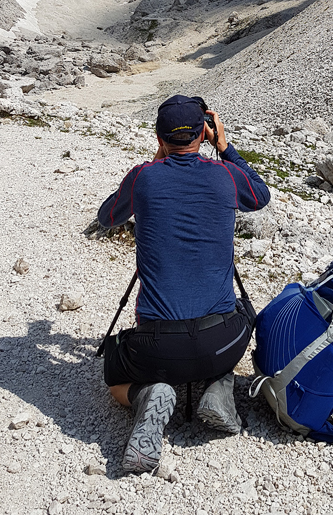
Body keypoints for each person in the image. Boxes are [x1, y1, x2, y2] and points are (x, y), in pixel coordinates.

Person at [96, 94, 270, 474]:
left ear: (158, 137)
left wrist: (157, 162)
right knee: (239, 313)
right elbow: (261, 195)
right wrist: (224, 146)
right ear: (203, 132)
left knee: (113, 372)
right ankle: (218, 385)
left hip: (156, 350)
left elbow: (106, 216)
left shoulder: (144, 178)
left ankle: (149, 394)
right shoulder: (226, 175)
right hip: (222, 342)